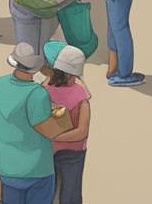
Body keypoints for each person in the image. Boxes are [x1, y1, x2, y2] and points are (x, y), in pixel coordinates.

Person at [0, 43, 65, 203]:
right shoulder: (37, 94)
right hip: (37, 170)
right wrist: (60, 115)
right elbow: (50, 132)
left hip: (7, 169)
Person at [41, 42, 91, 204]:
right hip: (70, 152)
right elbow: (81, 132)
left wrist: (53, 137)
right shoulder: (80, 94)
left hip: (62, 151)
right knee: (60, 193)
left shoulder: (44, 89)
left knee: (68, 194)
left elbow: (82, 131)